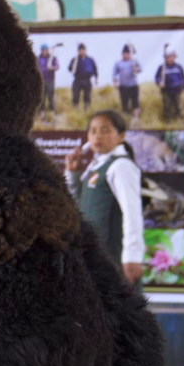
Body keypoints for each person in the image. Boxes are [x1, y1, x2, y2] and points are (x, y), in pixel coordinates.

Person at [66, 110, 145, 281]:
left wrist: (132, 257)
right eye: (93, 131)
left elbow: (133, 213)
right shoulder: (95, 166)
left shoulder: (121, 166)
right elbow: (79, 205)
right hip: (93, 255)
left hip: (112, 256)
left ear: (121, 136)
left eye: (105, 130)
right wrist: (73, 173)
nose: (97, 136)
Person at [155, 50, 184, 124]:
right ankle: (168, 122)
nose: (169, 59)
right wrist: (159, 82)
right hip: (166, 91)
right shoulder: (161, 68)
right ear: (165, 58)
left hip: (177, 90)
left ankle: (180, 121)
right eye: (167, 57)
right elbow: (157, 78)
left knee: (178, 107)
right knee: (167, 107)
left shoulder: (179, 67)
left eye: (171, 57)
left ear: (174, 57)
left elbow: (183, 78)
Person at [113, 44, 143, 118]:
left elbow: (140, 69)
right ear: (122, 54)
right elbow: (115, 74)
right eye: (124, 54)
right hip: (123, 86)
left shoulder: (134, 62)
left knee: (135, 102)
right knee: (124, 103)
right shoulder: (118, 63)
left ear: (130, 54)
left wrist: (137, 69)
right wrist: (115, 82)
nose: (126, 55)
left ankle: (136, 118)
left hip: (133, 85)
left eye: (127, 54)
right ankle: (126, 117)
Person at [67, 43, 98, 110]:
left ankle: (87, 109)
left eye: (84, 50)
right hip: (78, 80)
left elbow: (95, 69)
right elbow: (69, 69)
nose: (82, 51)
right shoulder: (75, 59)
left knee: (87, 96)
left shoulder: (90, 60)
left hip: (87, 80)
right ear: (79, 51)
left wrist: (96, 78)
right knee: (76, 95)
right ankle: (76, 108)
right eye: (81, 50)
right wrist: (73, 65)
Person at [35, 45, 60, 113]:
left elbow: (57, 66)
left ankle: (52, 111)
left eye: (46, 50)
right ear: (41, 50)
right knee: (42, 97)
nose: (45, 51)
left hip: (50, 80)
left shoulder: (52, 58)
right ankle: (42, 112)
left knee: (50, 96)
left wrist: (53, 68)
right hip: (41, 81)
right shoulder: (38, 58)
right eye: (43, 50)